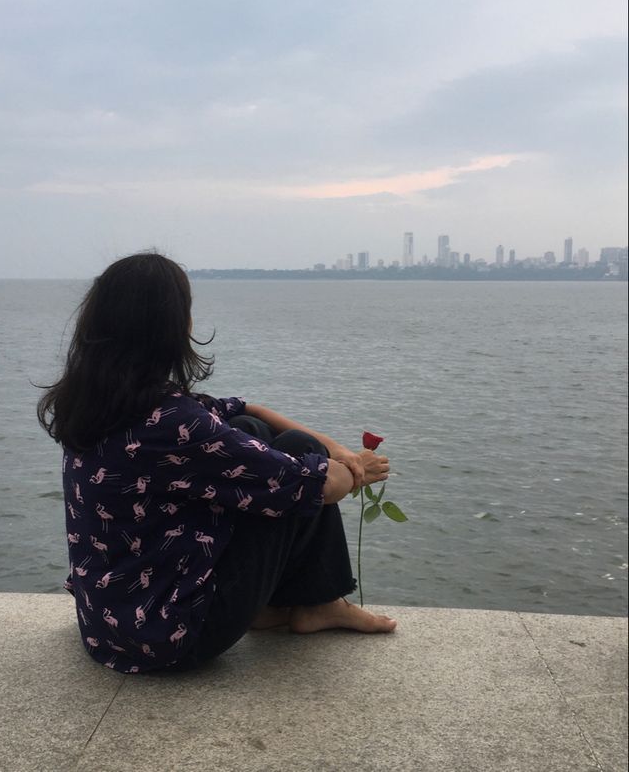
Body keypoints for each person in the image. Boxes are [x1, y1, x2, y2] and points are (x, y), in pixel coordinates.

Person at [38, 252, 397, 674]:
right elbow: (316, 485)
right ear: (172, 327)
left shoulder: (93, 403)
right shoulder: (174, 424)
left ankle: (288, 606)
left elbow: (245, 408)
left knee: (248, 427)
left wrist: (337, 446)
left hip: (105, 625)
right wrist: (356, 470)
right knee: (298, 454)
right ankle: (320, 604)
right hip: (170, 638)